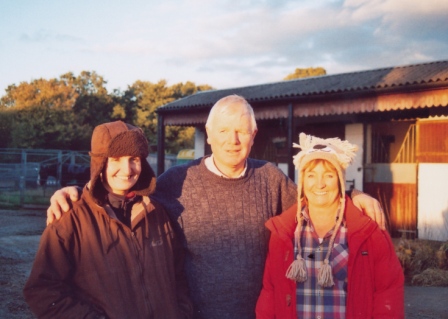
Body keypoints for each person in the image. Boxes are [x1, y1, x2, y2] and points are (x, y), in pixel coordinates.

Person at [46, 95, 385, 319]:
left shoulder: (271, 178)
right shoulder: (176, 180)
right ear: (208, 134)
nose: (232, 140)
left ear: (254, 135)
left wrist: (353, 197)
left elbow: (316, 201)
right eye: (223, 130)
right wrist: (76, 190)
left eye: (241, 131)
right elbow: (124, 188)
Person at [24, 121, 192, 319]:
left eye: (134, 159)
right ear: (100, 163)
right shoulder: (69, 219)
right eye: (116, 159)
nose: (127, 169)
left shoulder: (158, 213)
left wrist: (182, 312)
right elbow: (42, 290)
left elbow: (179, 275)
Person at [256, 133, 404, 319]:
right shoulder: (284, 233)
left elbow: (388, 292)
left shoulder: (368, 231)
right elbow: (270, 293)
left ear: (340, 180)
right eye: (311, 175)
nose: (319, 184)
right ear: (302, 181)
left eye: (329, 175)